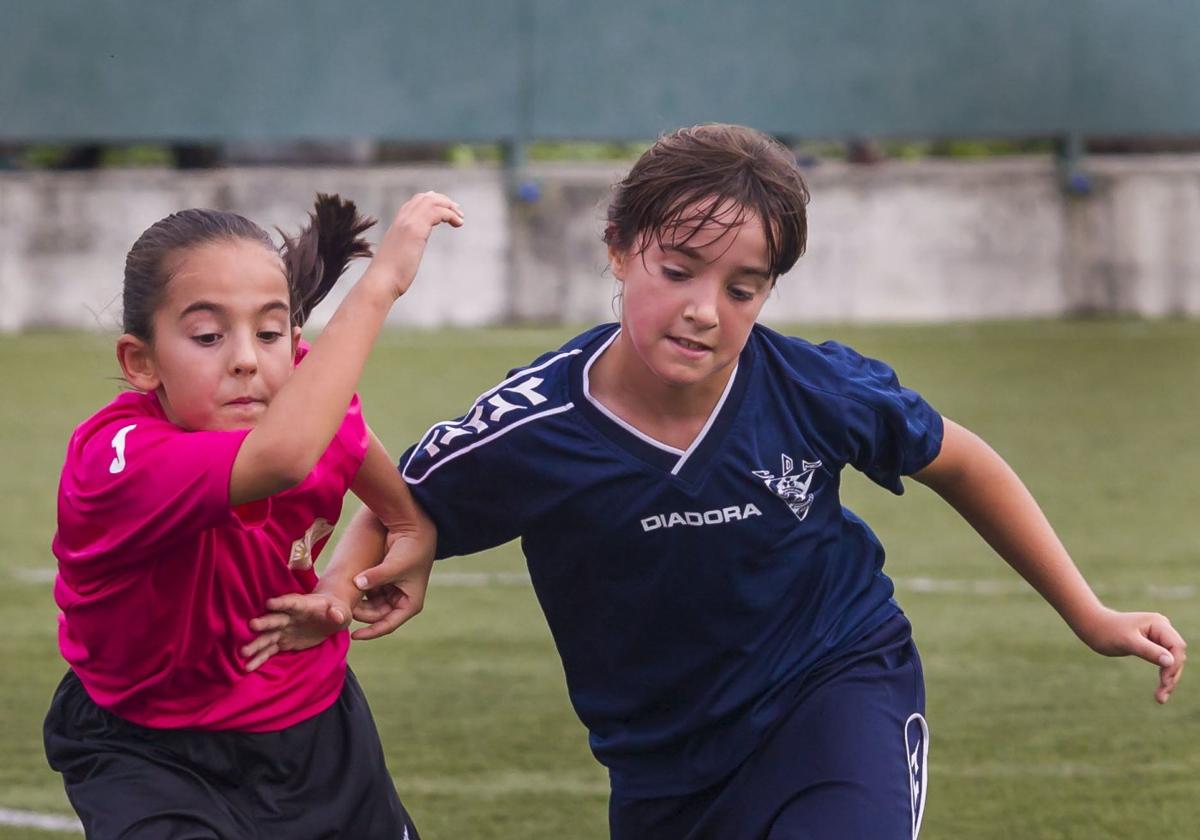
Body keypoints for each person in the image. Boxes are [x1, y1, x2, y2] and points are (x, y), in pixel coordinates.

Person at [255, 125, 1187, 839]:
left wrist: (1089, 614)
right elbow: (398, 496)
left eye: (743, 287)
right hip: (662, 768)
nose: (705, 308)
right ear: (618, 250)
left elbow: (962, 459)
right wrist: (353, 578)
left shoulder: (814, 388)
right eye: (678, 269)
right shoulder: (534, 426)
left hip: (834, 690)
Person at [45, 190, 462, 839]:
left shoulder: (306, 398)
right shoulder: (117, 461)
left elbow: (396, 513)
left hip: (316, 735)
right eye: (208, 336)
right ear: (141, 362)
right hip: (151, 749)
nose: (246, 358)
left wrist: (339, 588)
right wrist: (380, 284)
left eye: (269, 333)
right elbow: (285, 459)